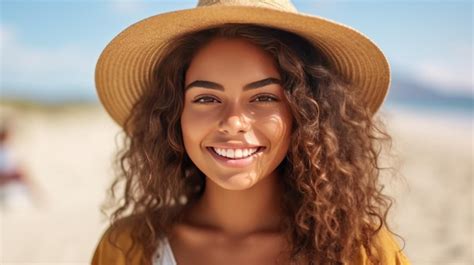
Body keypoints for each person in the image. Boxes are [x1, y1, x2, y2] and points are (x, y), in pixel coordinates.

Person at [91, 1, 411, 264]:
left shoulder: (362, 250)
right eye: (206, 98)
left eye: (263, 97)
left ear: (305, 113)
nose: (234, 121)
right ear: (175, 115)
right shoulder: (127, 248)